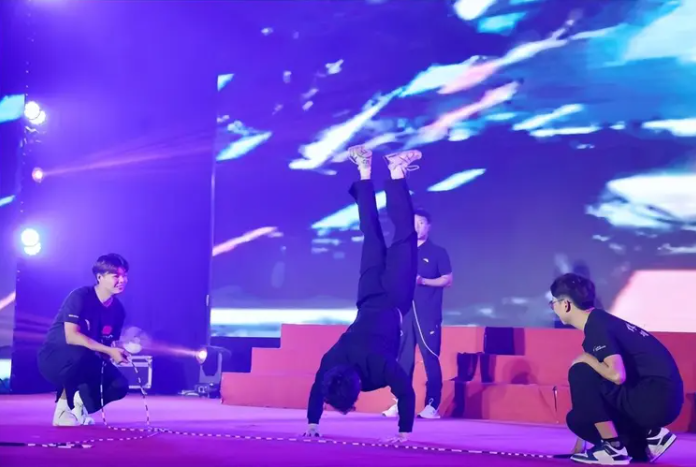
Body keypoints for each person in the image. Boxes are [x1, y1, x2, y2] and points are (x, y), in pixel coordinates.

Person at [303, 145, 422, 442]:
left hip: (392, 298)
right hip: (369, 295)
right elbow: (317, 388)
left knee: (403, 235)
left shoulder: (379, 369)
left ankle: (391, 171)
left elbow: (406, 392)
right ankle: (368, 170)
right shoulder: (333, 362)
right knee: (372, 233)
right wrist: (312, 423)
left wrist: (404, 433)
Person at [549, 273, 683, 465]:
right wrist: (581, 444)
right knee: (578, 420)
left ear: (565, 304)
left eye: (553, 303)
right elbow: (592, 395)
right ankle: (645, 442)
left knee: (580, 370)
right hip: (657, 396)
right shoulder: (601, 321)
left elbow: (616, 375)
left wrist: (586, 359)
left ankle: (614, 448)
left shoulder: (597, 326)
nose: (553, 308)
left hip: (655, 398)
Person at [37, 254, 130, 426]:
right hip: (55, 358)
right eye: (116, 276)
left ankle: (79, 404)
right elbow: (72, 336)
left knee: (119, 385)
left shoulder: (118, 310)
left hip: (86, 359)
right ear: (99, 277)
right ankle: (62, 410)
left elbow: (108, 344)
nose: (122, 280)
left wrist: (117, 353)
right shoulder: (80, 296)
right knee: (79, 351)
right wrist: (108, 350)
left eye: (125, 275)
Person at [383, 209, 452, 419]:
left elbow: (447, 280)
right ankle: (400, 402)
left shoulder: (438, 252)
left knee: (430, 357)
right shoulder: (402, 252)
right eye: (413, 223)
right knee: (403, 359)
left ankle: (432, 405)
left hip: (428, 313)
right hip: (405, 314)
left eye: (421, 223)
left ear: (428, 226)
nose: (417, 227)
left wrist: (423, 281)